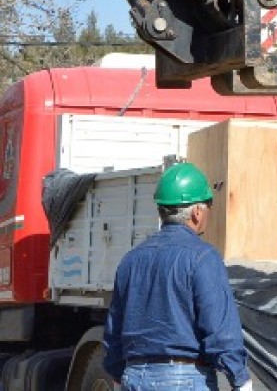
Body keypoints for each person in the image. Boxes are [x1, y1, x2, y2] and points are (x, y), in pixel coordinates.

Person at [103, 163, 252, 391]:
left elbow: (114, 330)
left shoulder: (130, 260)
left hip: (134, 378)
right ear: (197, 212)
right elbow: (220, 329)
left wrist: (116, 373)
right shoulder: (203, 258)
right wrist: (239, 378)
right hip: (184, 380)